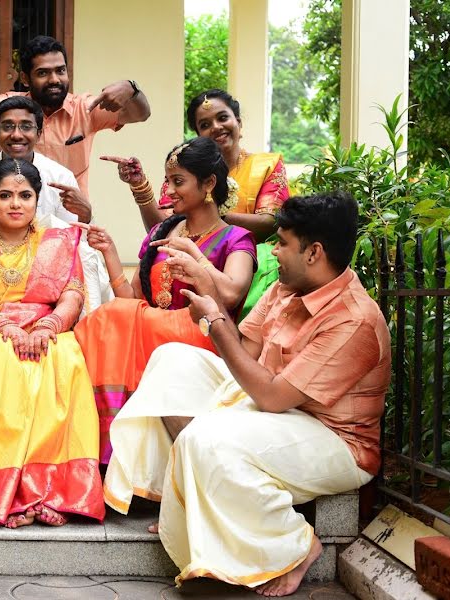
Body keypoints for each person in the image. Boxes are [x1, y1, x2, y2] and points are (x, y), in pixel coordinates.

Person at [104, 192, 390, 596]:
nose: (274, 251)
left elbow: (272, 396)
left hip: (332, 438)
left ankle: (294, 545)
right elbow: (245, 352)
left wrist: (216, 322)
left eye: (283, 243)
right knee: (171, 361)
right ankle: (182, 495)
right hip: (269, 404)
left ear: (314, 253)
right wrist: (208, 294)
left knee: (207, 439)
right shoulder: (286, 288)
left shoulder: (353, 320)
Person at [0, 158, 105, 529]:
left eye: (25, 195)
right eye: (5, 196)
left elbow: (72, 295)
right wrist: (3, 326)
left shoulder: (57, 242)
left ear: (37, 199)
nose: (15, 204)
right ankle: (4, 495)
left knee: (67, 354)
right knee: (0, 356)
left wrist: (47, 326)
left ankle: (52, 491)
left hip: (46, 330)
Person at [74, 137, 256, 464]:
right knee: (111, 315)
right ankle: (107, 448)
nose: (168, 190)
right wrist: (110, 252)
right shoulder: (162, 231)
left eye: (178, 181)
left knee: (116, 317)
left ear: (209, 183)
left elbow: (231, 294)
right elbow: (132, 299)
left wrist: (195, 257)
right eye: (167, 180)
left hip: (202, 335)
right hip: (154, 331)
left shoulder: (236, 239)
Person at [0, 96, 110, 352]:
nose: (17, 134)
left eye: (25, 126)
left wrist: (86, 216)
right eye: (7, 126)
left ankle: (91, 342)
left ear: (39, 132)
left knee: (86, 254)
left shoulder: (60, 176)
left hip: (46, 272)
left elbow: (75, 238)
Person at [104, 88, 288, 317]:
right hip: (167, 297)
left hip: (247, 261)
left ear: (238, 121)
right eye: (205, 124)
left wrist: (209, 216)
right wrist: (140, 186)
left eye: (222, 118)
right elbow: (163, 225)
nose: (216, 127)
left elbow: (272, 222)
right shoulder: (180, 170)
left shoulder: (266, 166)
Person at [0, 35, 151, 194]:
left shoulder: (86, 109)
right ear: (25, 78)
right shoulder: (8, 107)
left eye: (60, 70)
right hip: (16, 218)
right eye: (43, 73)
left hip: (70, 220)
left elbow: (141, 114)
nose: (54, 79)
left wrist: (131, 88)